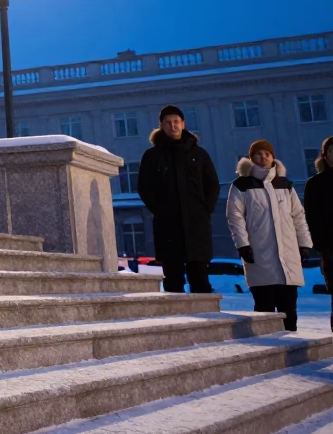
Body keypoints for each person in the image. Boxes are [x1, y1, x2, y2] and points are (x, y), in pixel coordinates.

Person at [227, 140, 312, 332]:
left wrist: (304, 243)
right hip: (259, 255)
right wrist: (243, 244)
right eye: (258, 154)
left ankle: (292, 351)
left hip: (288, 257)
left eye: (267, 153)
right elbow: (235, 216)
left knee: (289, 310)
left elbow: (298, 216)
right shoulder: (241, 185)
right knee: (265, 311)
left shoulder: (284, 184)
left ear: (273, 157)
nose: (263, 157)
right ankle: (267, 352)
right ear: (251, 158)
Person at [137, 105, 220, 294]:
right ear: (161, 126)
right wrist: (160, 210)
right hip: (168, 224)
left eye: (176, 122)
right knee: (173, 280)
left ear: (183, 124)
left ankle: (208, 320)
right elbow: (144, 187)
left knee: (200, 278)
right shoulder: (152, 156)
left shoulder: (199, 154)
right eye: (168, 122)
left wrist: (204, 208)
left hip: (196, 224)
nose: (172, 126)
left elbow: (212, 185)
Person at [303, 136, 333, 331]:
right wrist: (323, 247)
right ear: (324, 156)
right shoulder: (315, 184)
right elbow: (312, 219)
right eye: (331, 151)